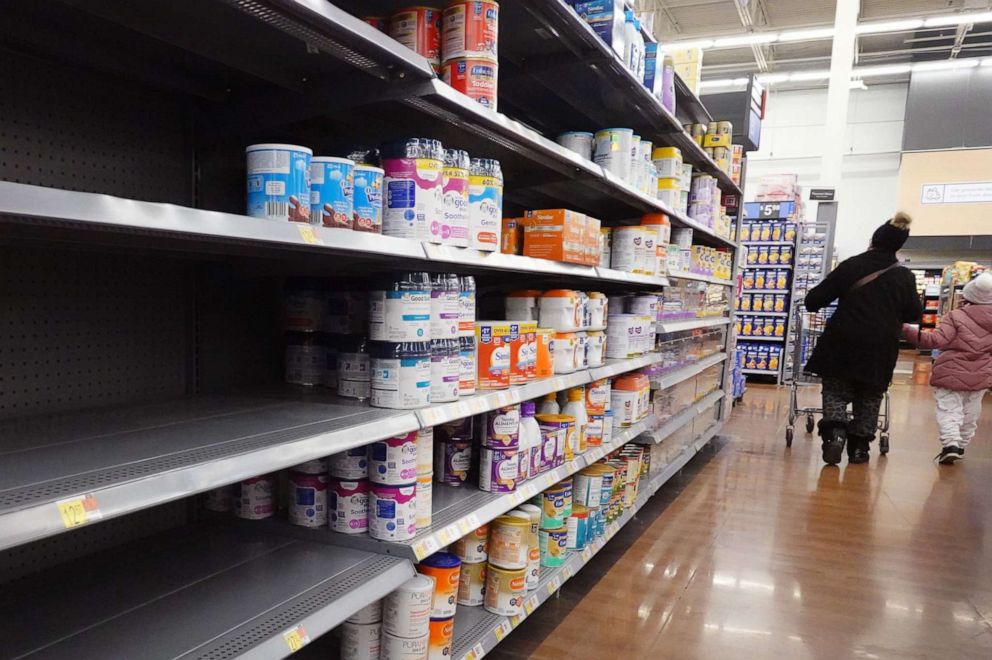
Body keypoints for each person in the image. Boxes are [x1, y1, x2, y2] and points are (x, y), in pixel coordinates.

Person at [804, 212, 922, 465]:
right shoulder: (905, 276)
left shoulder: (852, 265)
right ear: (899, 246)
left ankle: (835, 435)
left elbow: (814, 301)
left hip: (842, 342)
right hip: (880, 348)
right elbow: (914, 313)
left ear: (873, 239)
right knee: (869, 396)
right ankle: (859, 448)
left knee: (835, 390)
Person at [902, 272, 992, 464]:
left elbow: (936, 340)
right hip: (981, 374)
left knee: (949, 409)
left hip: (951, 371)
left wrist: (906, 330)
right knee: (971, 412)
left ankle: (951, 443)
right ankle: (961, 445)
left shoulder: (956, 316)